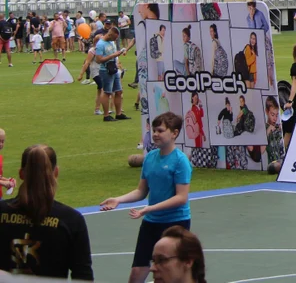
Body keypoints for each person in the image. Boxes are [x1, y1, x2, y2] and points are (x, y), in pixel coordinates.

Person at [101, 111, 192, 283]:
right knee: (137, 273)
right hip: (151, 223)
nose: (155, 134)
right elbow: (141, 191)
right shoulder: (150, 158)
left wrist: (150, 208)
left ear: (174, 133)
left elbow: (181, 198)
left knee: (170, 275)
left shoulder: (180, 161)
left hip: (175, 223)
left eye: (160, 131)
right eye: (154, 131)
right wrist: (118, 199)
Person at [0, 144, 92, 279]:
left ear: (21, 173)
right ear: (56, 172)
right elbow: (84, 277)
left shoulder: (2, 212)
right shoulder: (71, 220)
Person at [96, 29, 130, 121]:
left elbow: (114, 54)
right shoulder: (100, 44)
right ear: (110, 35)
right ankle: (106, 115)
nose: (115, 40)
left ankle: (118, 114)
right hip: (105, 70)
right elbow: (98, 60)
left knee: (119, 91)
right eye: (115, 37)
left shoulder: (111, 42)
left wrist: (118, 56)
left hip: (114, 69)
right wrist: (113, 55)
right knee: (107, 92)